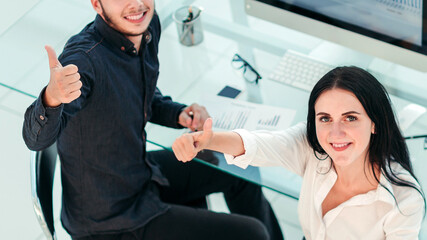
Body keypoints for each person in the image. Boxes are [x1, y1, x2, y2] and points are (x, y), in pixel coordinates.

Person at [22, 0, 284, 239]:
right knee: (253, 233)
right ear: (96, 4)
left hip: (138, 172)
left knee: (238, 166)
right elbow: (36, 139)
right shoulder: (84, 62)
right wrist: (51, 98)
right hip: (108, 218)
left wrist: (178, 113)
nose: (136, 4)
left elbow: (138, 94)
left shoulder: (146, 28)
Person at [172, 66, 426, 239]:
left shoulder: (404, 201)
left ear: (374, 123)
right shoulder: (312, 146)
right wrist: (208, 141)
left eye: (350, 118)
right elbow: (260, 144)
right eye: (325, 118)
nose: (335, 134)